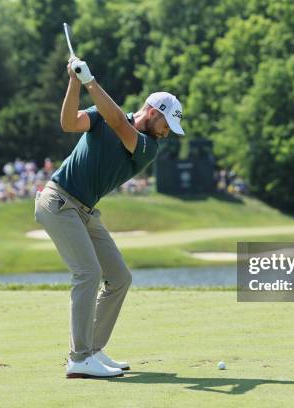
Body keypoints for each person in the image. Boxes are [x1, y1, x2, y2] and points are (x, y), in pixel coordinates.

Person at [34, 55, 185, 379]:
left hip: (85, 212)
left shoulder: (147, 146)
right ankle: (78, 358)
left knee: (119, 277)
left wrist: (90, 81)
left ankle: (93, 350)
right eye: (166, 125)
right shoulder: (103, 117)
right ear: (154, 112)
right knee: (88, 273)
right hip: (58, 201)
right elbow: (68, 123)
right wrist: (75, 82)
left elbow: (118, 123)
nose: (167, 133)